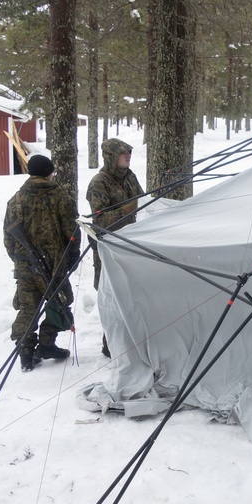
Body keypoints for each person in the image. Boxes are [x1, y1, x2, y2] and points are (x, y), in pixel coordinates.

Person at [3, 155, 80, 372]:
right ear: (49, 172)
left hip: (25, 265)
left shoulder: (16, 199)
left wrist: (19, 261)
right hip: (54, 266)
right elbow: (71, 232)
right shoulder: (60, 196)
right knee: (60, 303)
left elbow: (8, 237)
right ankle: (46, 343)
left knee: (28, 308)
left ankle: (26, 353)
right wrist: (72, 258)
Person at [87, 138, 144, 357]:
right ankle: (109, 343)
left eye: (129, 152)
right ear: (112, 157)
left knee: (129, 294)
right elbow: (97, 220)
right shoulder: (99, 182)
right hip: (108, 248)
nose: (128, 156)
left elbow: (142, 201)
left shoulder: (130, 177)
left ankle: (127, 339)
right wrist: (123, 211)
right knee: (110, 296)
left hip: (130, 244)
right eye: (123, 153)